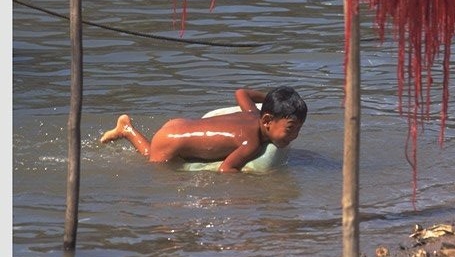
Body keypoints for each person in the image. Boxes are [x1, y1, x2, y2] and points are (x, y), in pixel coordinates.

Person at [99, 86, 307, 172]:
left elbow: (242, 93)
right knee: (151, 160)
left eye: (298, 130)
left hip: (179, 125)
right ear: (268, 120)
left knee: (152, 153)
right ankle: (126, 129)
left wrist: (270, 98)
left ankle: (125, 128)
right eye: (290, 129)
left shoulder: (253, 113)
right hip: (171, 140)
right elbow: (227, 169)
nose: (294, 136)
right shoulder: (250, 143)